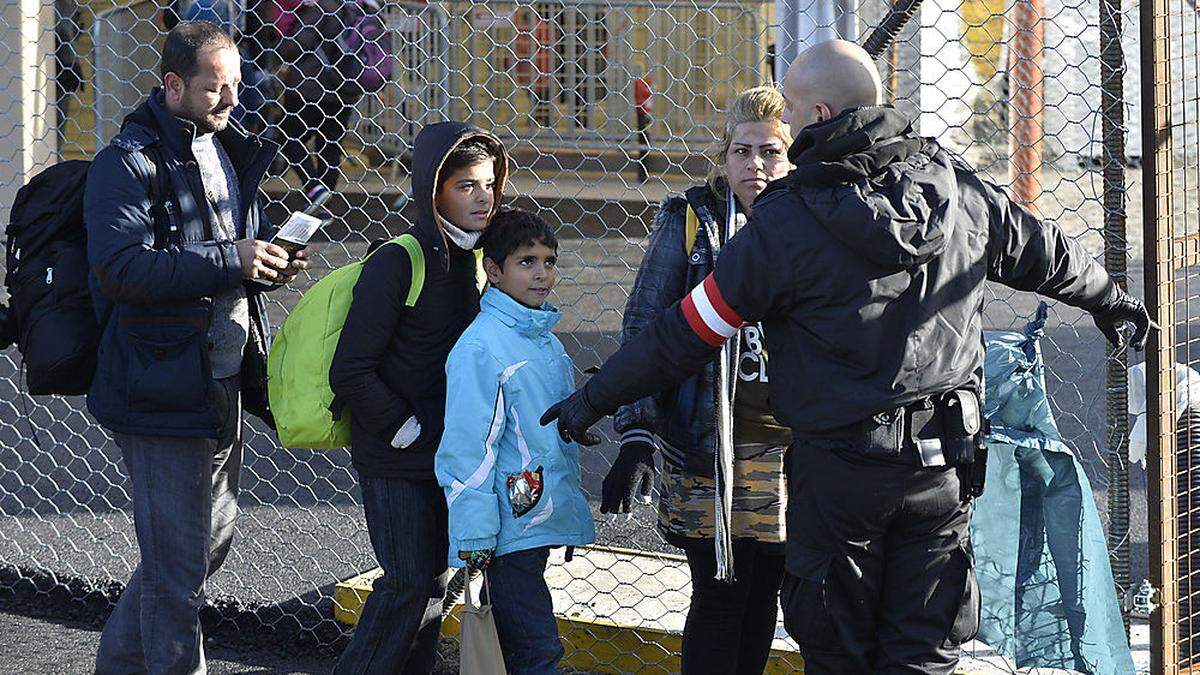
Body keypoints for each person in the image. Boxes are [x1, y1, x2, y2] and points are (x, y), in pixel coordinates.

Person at [540, 39, 1151, 674]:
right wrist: (1111, 300)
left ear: (822, 115)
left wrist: (594, 398)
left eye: (796, 112)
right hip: (942, 467)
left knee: (838, 653)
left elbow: (685, 334)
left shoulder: (784, 225)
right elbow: (1044, 251)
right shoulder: (959, 189)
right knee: (922, 654)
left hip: (839, 478)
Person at [86, 21, 309, 674]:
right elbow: (121, 268)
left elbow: (230, 251)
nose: (232, 100)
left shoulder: (225, 147)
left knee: (199, 550)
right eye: (217, 88)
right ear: (173, 84)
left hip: (220, 380)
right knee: (178, 573)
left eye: (238, 85)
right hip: (158, 388)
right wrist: (230, 259)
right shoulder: (125, 162)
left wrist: (266, 260)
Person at [602, 86, 793, 675]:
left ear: (792, 157)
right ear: (723, 156)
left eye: (770, 151)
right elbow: (644, 327)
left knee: (767, 592)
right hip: (708, 448)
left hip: (791, 448)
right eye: (742, 150)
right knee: (719, 593)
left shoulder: (810, 219)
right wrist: (635, 434)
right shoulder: (692, 220)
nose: (755, 165)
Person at [329, 123, 507, 674]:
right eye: (466, 186)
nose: (483, 197)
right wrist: (407, 429)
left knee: (434, 584)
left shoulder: (479, 261)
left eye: (489, 184)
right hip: (396, 451)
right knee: (407, 581)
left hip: (450, 452)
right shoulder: (398, 260)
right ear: (434, 191)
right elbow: (350, 370)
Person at [435, 209, 595, 674]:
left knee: (521, 647)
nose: (543, 272)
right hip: (505, 529)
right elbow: (468, 452)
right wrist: (475, 536)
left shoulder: (541, 338)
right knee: (537, 652)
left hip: (530, 516)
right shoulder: (481, 348)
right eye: (527, 261)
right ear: (493, 270)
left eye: (550, 260)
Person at [274, 0, 365, 197]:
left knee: (288, 137)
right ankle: (325, 204)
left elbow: (294, 47)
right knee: (330, 147)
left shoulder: (321, 7)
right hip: (344, 89)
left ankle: (315, 190)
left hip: (309, 90)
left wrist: (278, 40)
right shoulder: (356, 8)